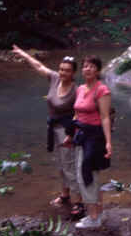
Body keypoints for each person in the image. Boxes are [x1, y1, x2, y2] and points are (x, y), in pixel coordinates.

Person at [11, 45, 83, 215]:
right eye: (61, 69)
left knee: (70, 165)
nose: (62, 72)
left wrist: (72, 134)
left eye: (67, 70)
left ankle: (78, 202)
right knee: (60, 164)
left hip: (67, 131)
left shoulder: (76, 91)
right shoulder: (54, 78)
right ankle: (65, 195)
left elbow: (79, 114)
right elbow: (39, 66)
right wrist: (23, 54)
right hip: (54, 128)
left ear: (73, 73)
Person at [68, 55, 113, 229]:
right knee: (87, 174)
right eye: (85, 66)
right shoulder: (80, 89)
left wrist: (109, 143)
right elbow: (77, 114)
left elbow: (105, 117)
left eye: (91, 66)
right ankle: (98, 214)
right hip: (81, 136)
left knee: (86, 174)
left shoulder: (102, 90)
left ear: (98, 70)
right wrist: (70, 134)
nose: (87, 69)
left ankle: (93, 218)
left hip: (95, 138)